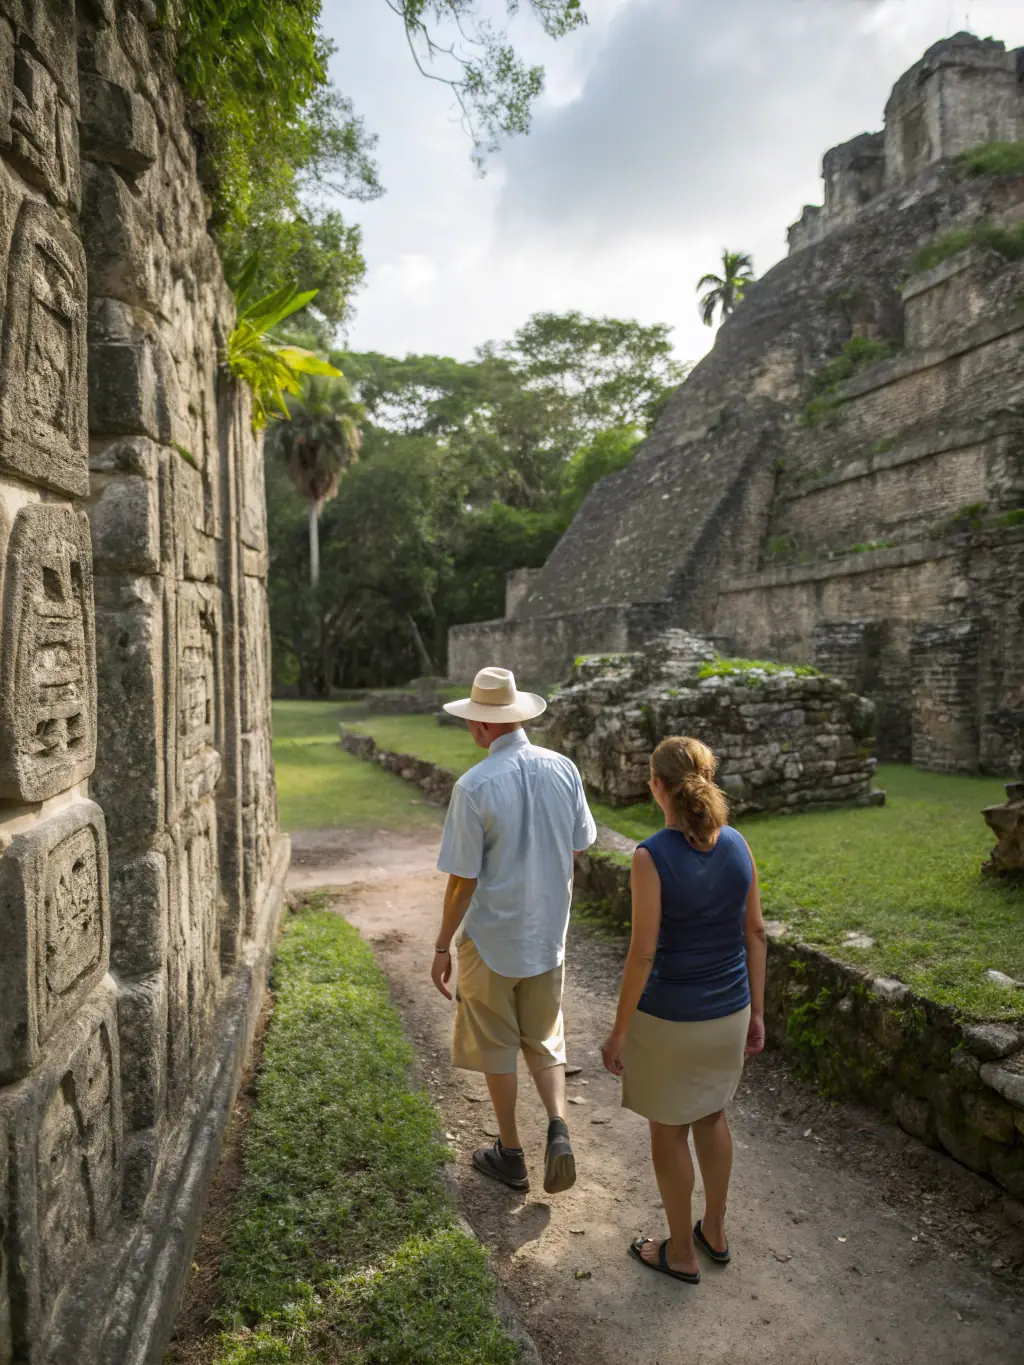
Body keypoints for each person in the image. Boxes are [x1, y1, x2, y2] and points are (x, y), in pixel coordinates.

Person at [601, 735, 767, 1284]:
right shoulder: (739, 845)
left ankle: (679, 1251)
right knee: (712, 1116)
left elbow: (643, 952)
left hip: (669, 1020)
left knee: (668, 1129)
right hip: (730, 1012)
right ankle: (713, 1231)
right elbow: (757, 935)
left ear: (656, 787)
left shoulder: (651, 856)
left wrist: (619, 1031)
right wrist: (758, 1014)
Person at [431, 666, 597, 1195]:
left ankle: (511, 1152)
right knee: (545, 1037)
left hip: (492, 937)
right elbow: (578, 844)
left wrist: (441, 945)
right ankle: (558, 1124)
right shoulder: (563, 768)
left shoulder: (475, 786)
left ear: (482, 725)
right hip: (548, 932)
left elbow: (463, 880)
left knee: (496, 1041)